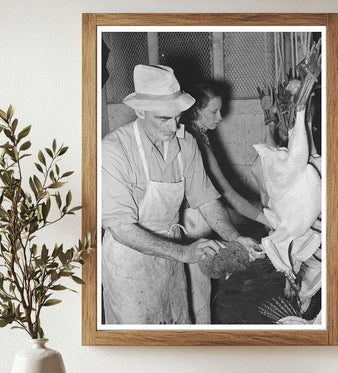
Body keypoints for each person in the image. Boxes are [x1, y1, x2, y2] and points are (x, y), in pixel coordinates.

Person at [101, 65, 262, 325]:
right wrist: (185, 254)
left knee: (176, 327)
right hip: (128, 264)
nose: (172, 127)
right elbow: (120, 228)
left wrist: (234, 237)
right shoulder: (114, 150)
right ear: (140, 111)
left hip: (171, 258)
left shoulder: (186, 143)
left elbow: (207, 200)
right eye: (162, 119)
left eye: (177, 117)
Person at [181, 83, 270, 324]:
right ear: (194, 112)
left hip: (198, 224)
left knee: (198, 294)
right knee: (197, 297)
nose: (220, 118)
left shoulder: (199, 136)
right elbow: (229, 196)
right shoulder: (195, 144)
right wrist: (270, 220)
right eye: (213, 112)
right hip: (192, 227)